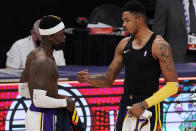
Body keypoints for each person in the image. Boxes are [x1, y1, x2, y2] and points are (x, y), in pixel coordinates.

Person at [77, 1, 178, 131]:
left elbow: (172, 86)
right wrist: (88, 79)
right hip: (126, 102)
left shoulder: (159, 45)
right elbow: (108, 79)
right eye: (123, 21)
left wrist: (143, 105)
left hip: (149, 104)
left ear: (139, 20)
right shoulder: (123, 44)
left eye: (127, 20)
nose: (123, 24)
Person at [19, 15, 83, 131]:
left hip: (37, 116)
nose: (64, 38)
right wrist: (65, 102)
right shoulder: (45, 61)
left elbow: (22, 90)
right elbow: (39, 101)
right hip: (43, 118)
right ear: (49, 36)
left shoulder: (34, 54)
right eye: (61, 35)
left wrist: (54, 97)